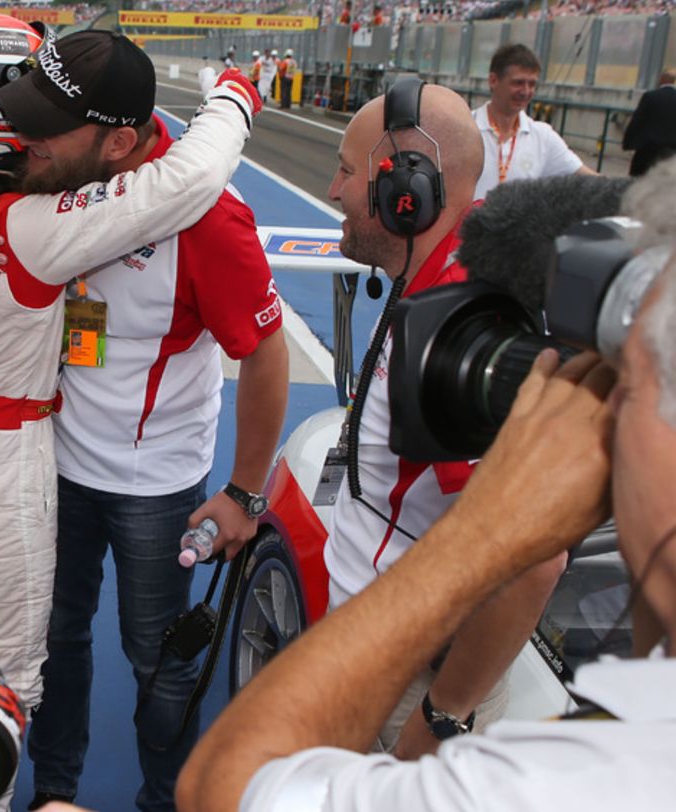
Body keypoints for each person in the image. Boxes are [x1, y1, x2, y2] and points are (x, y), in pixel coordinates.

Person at [177, 157, 676, 812]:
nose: (604, 409)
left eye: (628, 384)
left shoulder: (563, 783)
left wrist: (483, 538)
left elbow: (223, 787)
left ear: (404, 193)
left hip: (421, 685)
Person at [0, 32, 284, 811]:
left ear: (117, 141)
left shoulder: (205, 218)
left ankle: (166, 797)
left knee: (155, 656)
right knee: (56, 642)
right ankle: (56, 790)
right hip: (48, 469)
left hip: (154, 486)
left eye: (45, 123)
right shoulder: (31, 174)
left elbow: (265, 353)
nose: (21, 138)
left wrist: (244, 492)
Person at [321, 80, 567, 761]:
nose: (334, 189)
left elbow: (534, 558)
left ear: (408, 191)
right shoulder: (461, 262)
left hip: (404, 684)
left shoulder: (458, 327)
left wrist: (441, 718)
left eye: (347, 169)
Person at [472, 43, 596, 200]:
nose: (526, 92)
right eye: (518, 83)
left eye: (532, 84)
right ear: (493, 81)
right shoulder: (465, 127)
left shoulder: (543, 136)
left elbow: (587, 177)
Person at [622, 68, 676, 177]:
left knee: (638, 181)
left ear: (661, 80)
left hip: (648, 150)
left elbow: (637, 121)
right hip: (672, 152)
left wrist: (628, 143)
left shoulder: (650, 96)